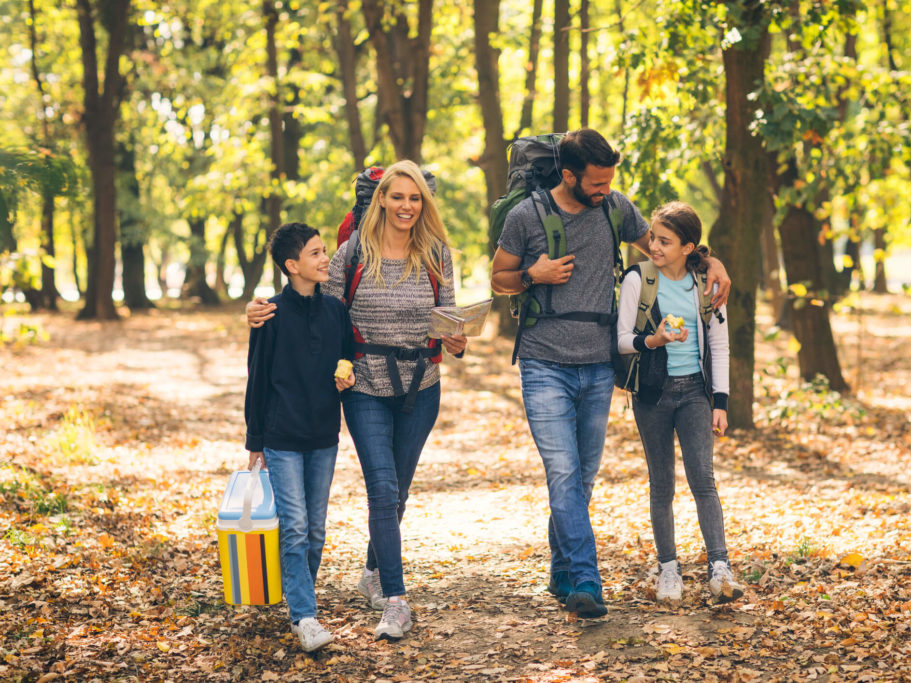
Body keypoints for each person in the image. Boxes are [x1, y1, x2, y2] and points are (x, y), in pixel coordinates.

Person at [490, 129, 731, 618]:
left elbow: (670, 249)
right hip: (543, 361)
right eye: (596, 183)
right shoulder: (526, 216)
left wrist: (715, 261)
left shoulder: (614, 207)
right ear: (568, 175)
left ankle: (561, 570)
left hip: (599, 364)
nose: (605, 190)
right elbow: (498, 279)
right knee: (562, 472)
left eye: (609, 182)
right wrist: (533, 276)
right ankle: (585, 578)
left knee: (581, 478)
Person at [247, 161, 467, 641]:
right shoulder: (353, 252)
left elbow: (448, 319)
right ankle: (395, 600)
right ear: (382, 199)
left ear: (422, 204)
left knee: (399, 492)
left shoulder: (436, 254)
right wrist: (259, 310)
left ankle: (372, 570)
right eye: (397, 197)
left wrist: (458, 340)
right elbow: (308, 302)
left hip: (422, 384)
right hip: (363, 384)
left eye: (415, 198)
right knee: (383, 490)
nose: (406, 206)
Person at [616, 202, 744, 604]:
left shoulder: (703, 283)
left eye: (664, 241)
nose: (653, 245)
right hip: (653, 394)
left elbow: (720, 345)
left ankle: (719, 568)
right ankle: (668, 569)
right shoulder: (638, 278)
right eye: (652, 237)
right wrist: (654, 339)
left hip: (694, 393)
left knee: (703, 480)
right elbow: (620, 341)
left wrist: (719, 403)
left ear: (688, 247)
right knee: (662, 485)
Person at [244, 221, 356, 653]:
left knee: (315, 530)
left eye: (324, 250)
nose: (325, 258)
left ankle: (297, 599)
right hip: (282, 436)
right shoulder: (268, 314)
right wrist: (255, 440)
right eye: (315, 253)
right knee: (293, 528)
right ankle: (305, 616)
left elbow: (346, 355)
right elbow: (257, 380)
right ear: (292, 265)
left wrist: (346, 376)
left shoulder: (335, 311)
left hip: (324, 434)